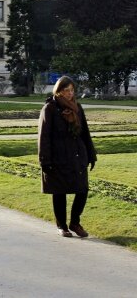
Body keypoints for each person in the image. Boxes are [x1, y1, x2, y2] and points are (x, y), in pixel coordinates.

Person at [38, 76, 97, 238]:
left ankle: (75, 223)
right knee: (59, 191)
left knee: (82, 189)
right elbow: (44, 137)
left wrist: (91, 155)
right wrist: (45, 160)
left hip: (78, 155)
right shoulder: (49, 108)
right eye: (66, 90)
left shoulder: (78, 107)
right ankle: (62, 226)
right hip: (58, 157)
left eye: (72, 90)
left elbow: (85, 133)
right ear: (58, 91)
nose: (70, 93)